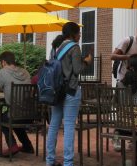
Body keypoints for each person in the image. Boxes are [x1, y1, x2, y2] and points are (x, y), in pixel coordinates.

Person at [46, 22, 92, 166]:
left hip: (56, 90)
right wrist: (87, 62)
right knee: (69, 126)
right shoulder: (74, 47)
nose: (80, 35)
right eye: (79, 33)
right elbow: (77, 70)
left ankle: (50, 160)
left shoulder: (55, 47)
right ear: (73, 34)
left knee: (54, 125)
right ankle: (68, 162)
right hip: (71, 90)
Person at [110, 20, 137, 151]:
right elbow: (112, 56)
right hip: (124, 80)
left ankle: (135, 137)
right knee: (123, 110)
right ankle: (118, 135)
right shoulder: (127, 41)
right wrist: (130, 57)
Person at [0, 51, 34, 157]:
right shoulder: (25, 72)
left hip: (14, 114)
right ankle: (27, 145)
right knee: (15, 114)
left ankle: (12, 145)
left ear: (3, 62)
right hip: (30, 114)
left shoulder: (3, 72)